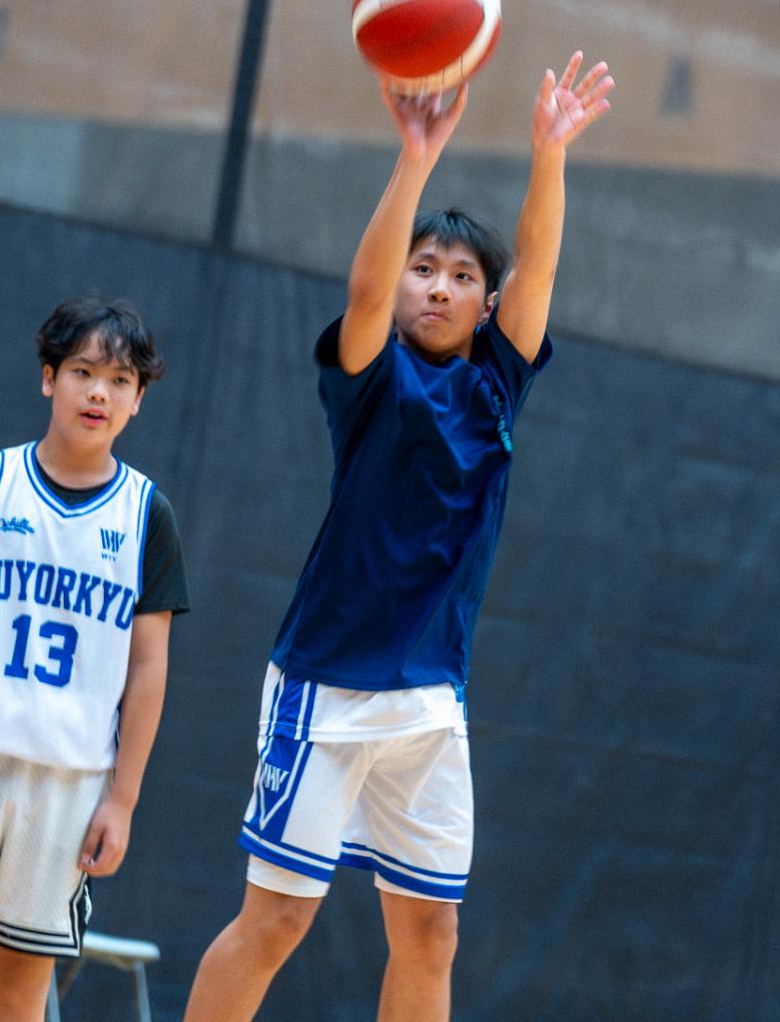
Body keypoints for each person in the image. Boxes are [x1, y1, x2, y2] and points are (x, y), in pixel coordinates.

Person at [183, 53, 615, 1022]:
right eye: (425, 268)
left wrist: (549, 153)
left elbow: (537, 264)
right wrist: (416, 157)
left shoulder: (497, 384)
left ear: (485, 304)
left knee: (430, 932)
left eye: (460, 275)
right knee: (276, 923)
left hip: (429, 701)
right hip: (328, 686)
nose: (436, 285)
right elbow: (367, 288)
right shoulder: (372, 376)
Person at [0, 297, 189, 1021]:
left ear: (139, 399)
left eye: (118, 380)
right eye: (82, 371)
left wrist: (124, 796)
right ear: (49, 378)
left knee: (19, 989)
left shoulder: (148, 516)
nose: (98, 392)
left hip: (71, 783)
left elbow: (149, 667)